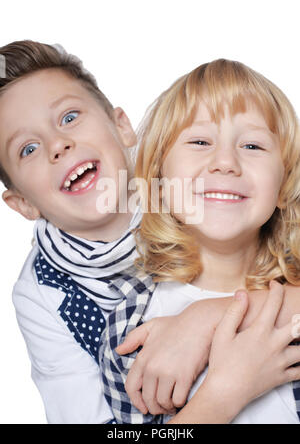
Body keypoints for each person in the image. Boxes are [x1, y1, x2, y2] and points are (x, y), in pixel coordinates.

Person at [0, 41, 298, 423]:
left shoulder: (214, 200)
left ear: (123, 126)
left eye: (70, 117)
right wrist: (226, 391)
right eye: (27, 148)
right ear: (23, 203)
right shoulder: (54, 298)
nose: (58, 145)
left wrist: (208, 318)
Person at [105, 59, 300, 424]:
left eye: (254, 146)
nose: (225, 162)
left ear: (284, 187)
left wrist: (207, 317)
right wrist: (225, 392)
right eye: (199, 141)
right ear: (160, 179)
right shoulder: (132, 324)